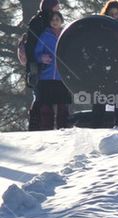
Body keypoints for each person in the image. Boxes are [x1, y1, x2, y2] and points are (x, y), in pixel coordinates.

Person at [24, 0, 61, 131]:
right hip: (37, 66)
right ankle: (35, 128)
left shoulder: (55, 21)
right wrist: (38, 58)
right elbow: (30, 45)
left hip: (52, 70)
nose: (59, 7)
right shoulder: (38, 21)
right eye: (56, 5)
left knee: (50, 100)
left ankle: (48, 128)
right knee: (40, 98)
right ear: (50, 6)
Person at [33, 10, 71, 130]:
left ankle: (63, 130)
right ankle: (46, 131)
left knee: (63, 108)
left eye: (57, 19)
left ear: (61, 21)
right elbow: (36, 53)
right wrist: (41, 58)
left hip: (62, 77)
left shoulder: (67, 34)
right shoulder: (45, 35)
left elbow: (73, 51)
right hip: (46, 77)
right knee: (46, 108)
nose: (55, 22)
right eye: (52, 20)